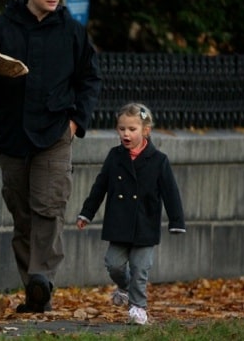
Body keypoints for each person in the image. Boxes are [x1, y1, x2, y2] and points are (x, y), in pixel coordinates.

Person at [0, 0, 102, 313]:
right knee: (22, 212)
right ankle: (33, 288)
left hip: (55, 132)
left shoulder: (73, 32)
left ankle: (41, 279)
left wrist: (76, 121)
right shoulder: (0, 28)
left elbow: (89, 80)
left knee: (49, 207)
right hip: (12, 133)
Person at [76, 102, 186, 325]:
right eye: (122, 129)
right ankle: (124, 287)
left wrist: (176, 221)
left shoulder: (158, 160)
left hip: (145, 224)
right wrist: (87, 213)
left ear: (146, 130)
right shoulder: (115, 156)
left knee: (140, 268)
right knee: (113, 263)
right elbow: (100, 186)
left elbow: (171, 193)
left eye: (132, 129)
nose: (126, 134)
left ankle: (138, 307)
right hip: (119, 224)